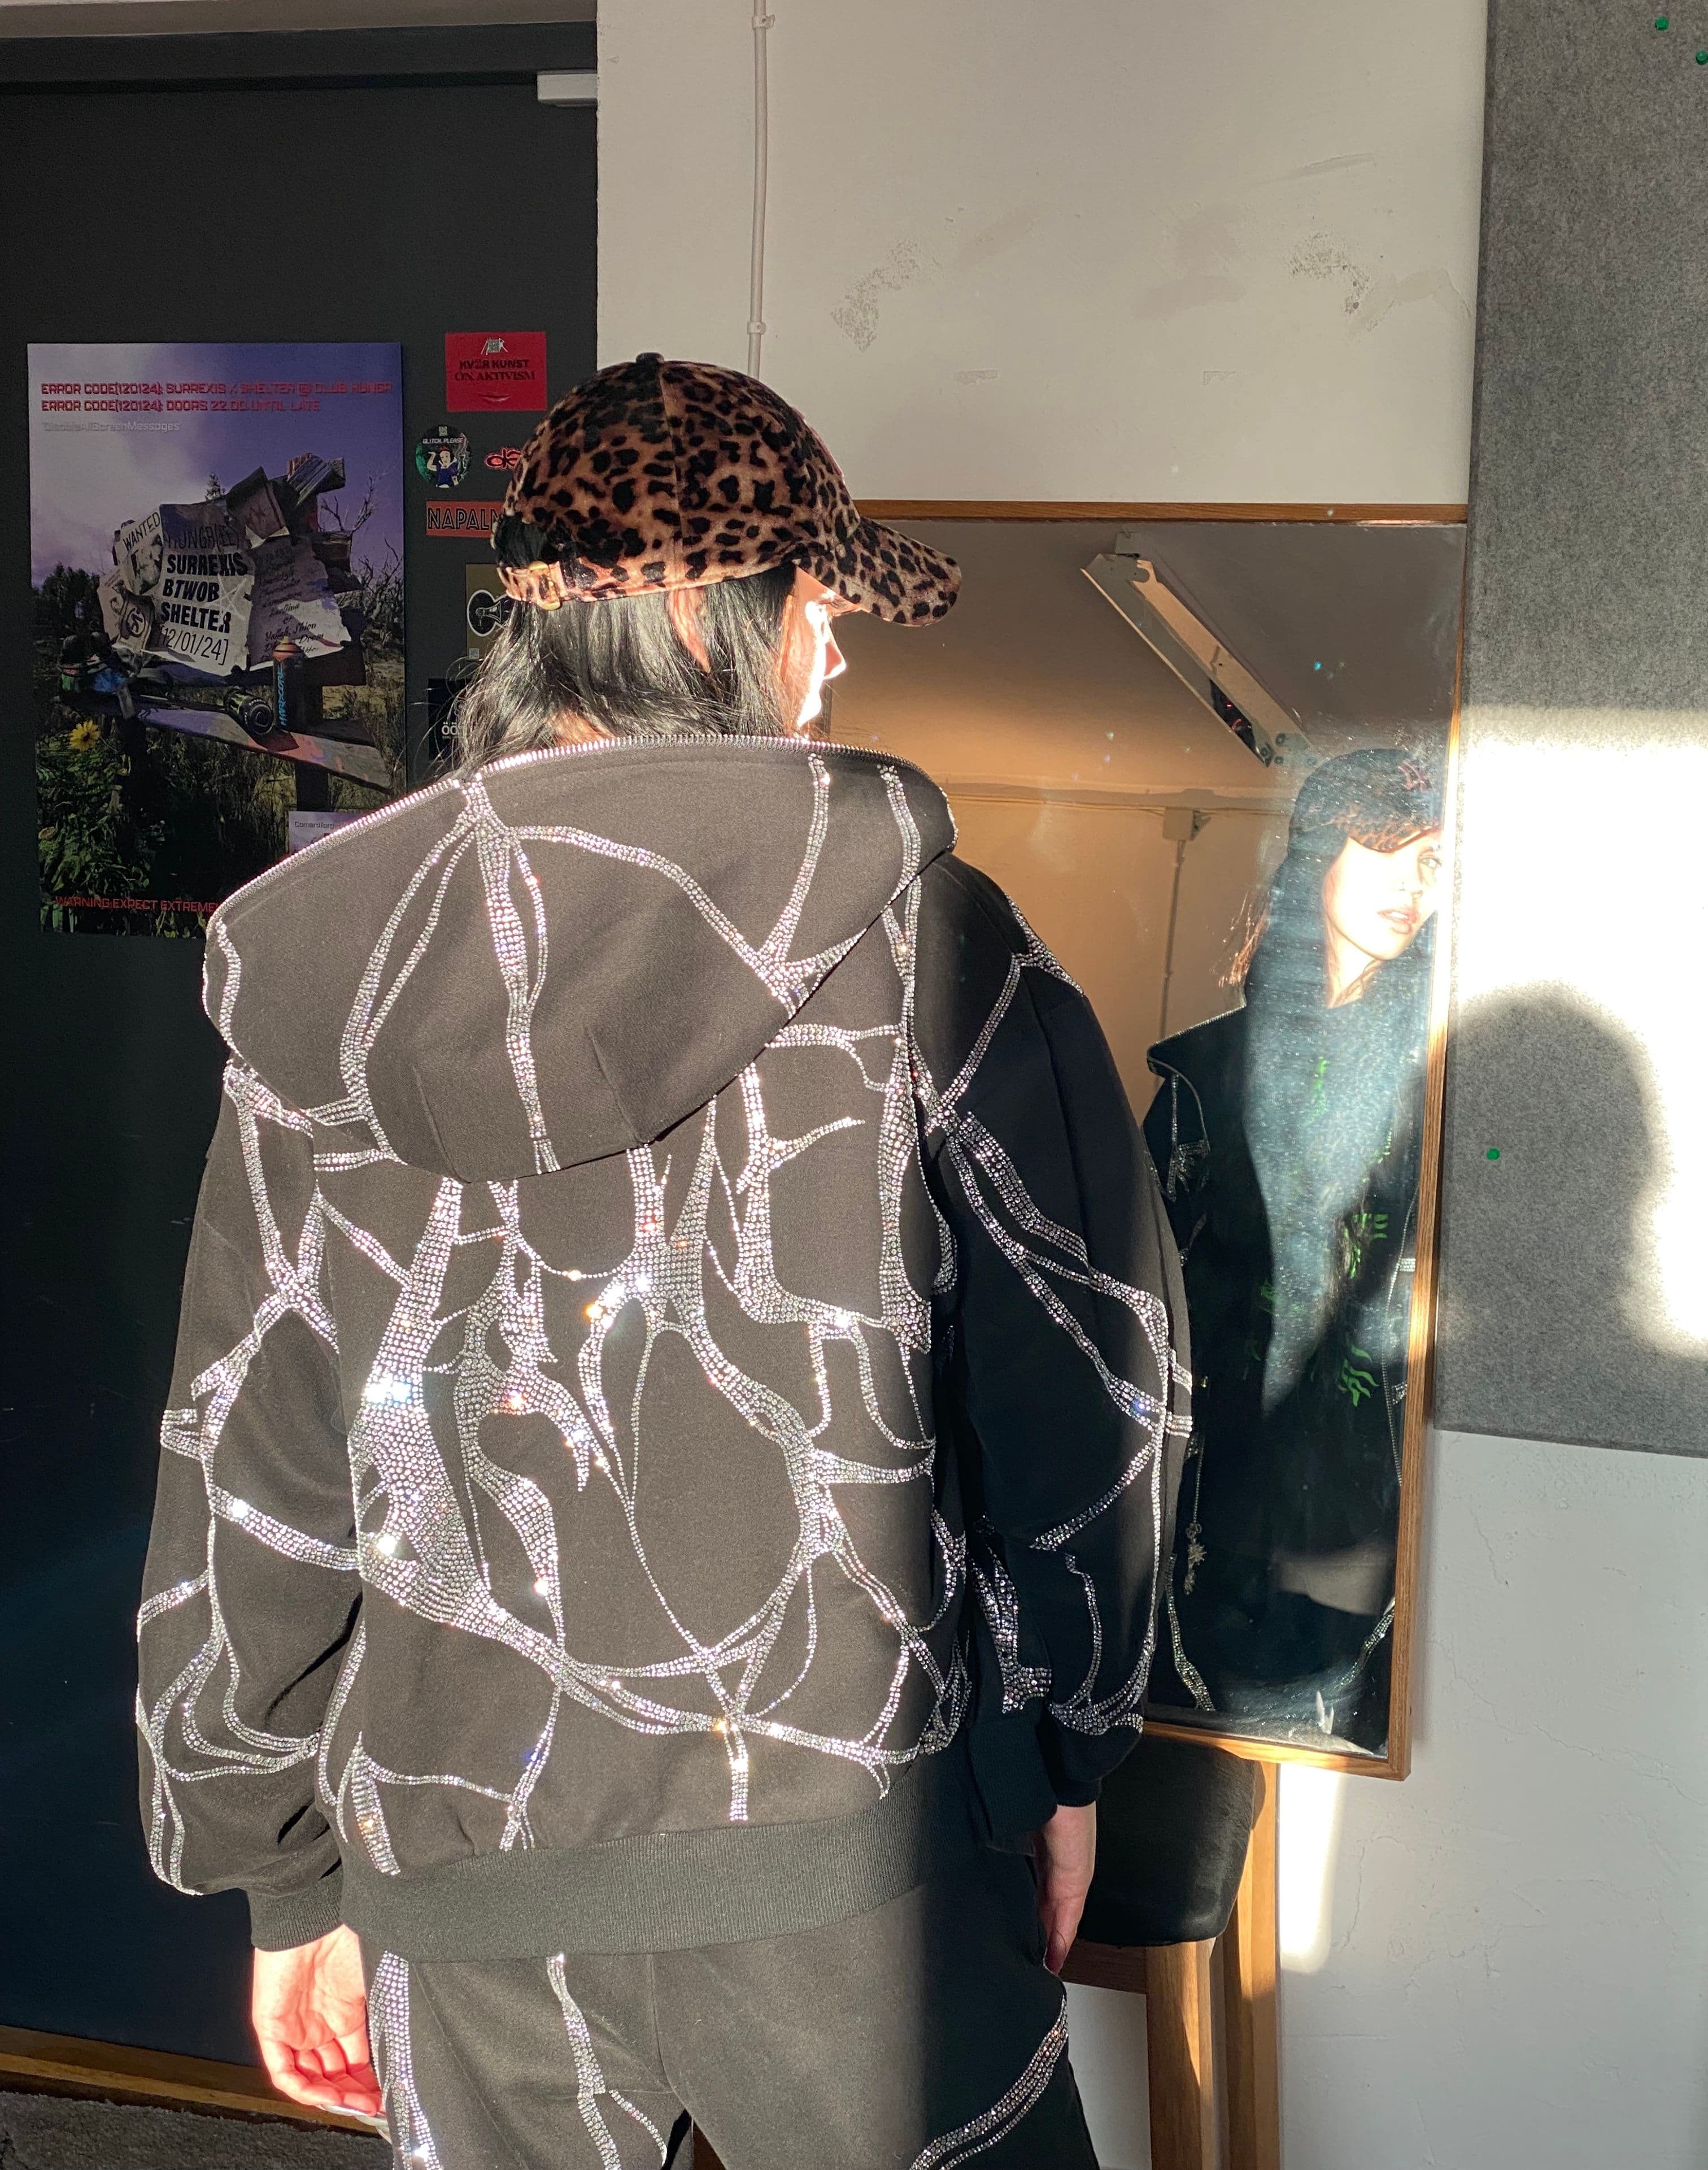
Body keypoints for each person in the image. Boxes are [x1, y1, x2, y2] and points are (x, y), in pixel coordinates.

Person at [137, 355, 1191, 2169]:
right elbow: (1088, 1389)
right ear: (719, 620)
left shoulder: (333, 986)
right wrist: (1066, 1753)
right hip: (850, 1875)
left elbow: (256, 1449)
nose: (835, 658)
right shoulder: (929, 944)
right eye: (821, 606)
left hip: (463, 1879)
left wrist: (279, 1871)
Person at [1143, 747, 1441, 1753]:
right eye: (1387, 845)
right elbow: (1135, 1295)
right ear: (1319, 850)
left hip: (1364, 1500)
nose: (1411, 884)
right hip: (1213, 1485)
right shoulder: (1208, 1071)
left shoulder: (1441, 1077)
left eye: (1434, 863)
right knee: (1196, 1770)